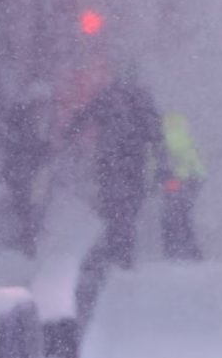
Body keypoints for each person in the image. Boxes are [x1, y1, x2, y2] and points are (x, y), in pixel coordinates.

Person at [73, 66, 166, 269]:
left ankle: (115, 250)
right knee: (128, 210)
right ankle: (122, 254)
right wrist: (161, 164)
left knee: (113, 207)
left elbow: (84, 118)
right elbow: (156, 134)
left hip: (110, 161)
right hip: (133, 163)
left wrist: (70, 132)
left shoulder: (107, 96)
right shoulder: (142, 99)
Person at [159, 109, 206, 261]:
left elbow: (162, 162)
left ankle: (173, 251)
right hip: (192, 179)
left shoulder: (166, 138)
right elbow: (193, 160)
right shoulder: (184, 137)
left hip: (175, 181)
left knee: (171, 217)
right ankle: (192, 252)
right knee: (183, 216)